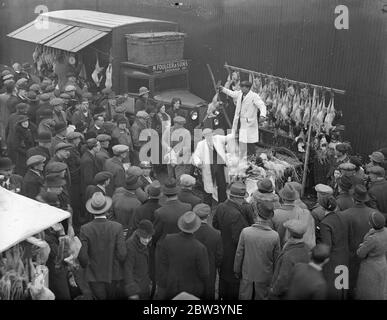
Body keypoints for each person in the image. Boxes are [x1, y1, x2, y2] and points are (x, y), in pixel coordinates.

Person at [79, 192, 127, 300]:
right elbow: (122, 254)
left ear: (92, 210)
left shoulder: (85, 229)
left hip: (94, 274)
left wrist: (87, 266)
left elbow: (83, 257)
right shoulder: (117, 227)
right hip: (113, 273)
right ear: (106, 209)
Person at [156, 211, 210, 300]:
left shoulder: (168, 239)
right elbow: (204, 273)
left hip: (171, 286)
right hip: (192, 290)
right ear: (196, 227)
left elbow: (163, 263)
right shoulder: (200, 248)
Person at [234, 201, 280, 300]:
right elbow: (276, 259)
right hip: (265, 275)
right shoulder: (274, 236)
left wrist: (237, 270)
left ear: (256, 214)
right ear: (270, 217)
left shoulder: (246, 232)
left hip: (247, 273)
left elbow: (239, 254)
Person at [212, 182, 250, 300]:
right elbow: (239, 239)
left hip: (222, 247)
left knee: (223, 277)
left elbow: (215, 224)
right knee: (233, 282)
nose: (243, 201)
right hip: (233, 253)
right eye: (242, 199)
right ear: (237, 198)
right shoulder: (237, 215)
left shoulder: (220, 206)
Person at [341, 184, 375, 298]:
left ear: (353, 198)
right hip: (369, 256)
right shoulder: (374, 214)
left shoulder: (344, 215)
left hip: (350, 257)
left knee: (348, 286)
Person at [219, 80, 267, 156]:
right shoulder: (240, 94)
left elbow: (262, 106)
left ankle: (252, 157)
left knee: (249, 142)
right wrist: (223, 89)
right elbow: (232, 93)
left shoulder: (254, 96)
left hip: (248, 123)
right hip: (239, 121)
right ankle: (240, 155)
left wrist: (262, 115)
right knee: (238, 139)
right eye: (242, 87)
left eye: (244, 87)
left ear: (248, 88)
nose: (242, 89)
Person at [317, 196, 349, 300]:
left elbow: (327, 246)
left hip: (333, 261)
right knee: (343, 287)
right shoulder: (343, 217)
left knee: (334, 290)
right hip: (345, 256)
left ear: (322, 208)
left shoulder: (325, 223)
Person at [270, 219, 310, 300]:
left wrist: (274, 290)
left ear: (289, 234)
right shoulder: (307, 248)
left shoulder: (289, 255)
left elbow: (283, 279)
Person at [193, 203, 223, 300]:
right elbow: (219, 256)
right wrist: (216, 265)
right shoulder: (216, 234)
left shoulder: (190, 232)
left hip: (193, 269)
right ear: (209, 215)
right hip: (210, 269)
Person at [191, 128, 229, 205]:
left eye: (209, 134)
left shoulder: (218, 139)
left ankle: (222, 203)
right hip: (208, 168)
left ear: (212, 133)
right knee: (208, 187)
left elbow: (227, 138)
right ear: (204, 136)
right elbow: (195, 155)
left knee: (222, 185)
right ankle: (207, 205)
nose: (208, 136)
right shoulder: (201, 144)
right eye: (206, 135)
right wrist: (198, 163)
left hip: (219, 167)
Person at [273, 183, 316, 249]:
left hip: (281, 249)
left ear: (282, 199)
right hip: (299, 249)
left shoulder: (275, 214)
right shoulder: (304, 212)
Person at [356, 212, 387, 300]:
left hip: (370, 267)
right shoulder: (386, 231)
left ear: (372, 224)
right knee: (380, 288)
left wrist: (361, 246)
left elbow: (360, 254)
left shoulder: (372, 239)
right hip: (382, 263)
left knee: (369, 292)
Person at [153, 178, 192, 244]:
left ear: (164, 194)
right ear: (177, 191)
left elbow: (156, 233)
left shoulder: (159, 212)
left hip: (166, 245)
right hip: (184, 243)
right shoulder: (188, 207)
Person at [124, 219, 154, 300]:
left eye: (149, 237)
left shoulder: (145, 243)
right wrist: (132, 292)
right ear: (139, 234)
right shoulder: (130, 246)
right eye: (144, 237)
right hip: (136, 289)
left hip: (145, 285)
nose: (147, 240)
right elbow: (127, 270)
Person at [162, 115, 191, 181]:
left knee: (179, 176)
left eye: (182, 125)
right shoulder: (168, 130)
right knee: (170, 174)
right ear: (175, 123)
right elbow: (163, 140)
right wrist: (167, 148)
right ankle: (171, 188)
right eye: (179, 124)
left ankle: (179, 188)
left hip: (180, 157)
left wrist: (179, 153)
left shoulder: (186, 132)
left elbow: (187, 146)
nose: (181, 126)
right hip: (170, 155)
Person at [80, 138, 101, 202]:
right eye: (98, 145)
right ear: (94, 147)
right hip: (90, 190)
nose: (100, 147)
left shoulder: (91, 155)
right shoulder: (88, 160)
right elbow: (88, 179)